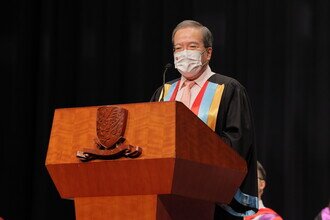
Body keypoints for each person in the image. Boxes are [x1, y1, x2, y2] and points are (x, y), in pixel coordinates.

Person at [150, 20, 258, 219]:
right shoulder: (164, 92)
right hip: (167, 196)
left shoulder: (229, 89)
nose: (184, 53)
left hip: (214, 201)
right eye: (178, 48)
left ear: (208, 53)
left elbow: (237, 143)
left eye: (192, 46)